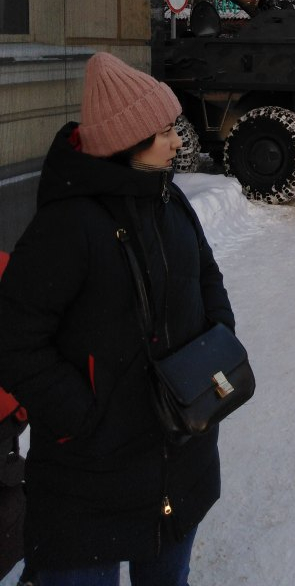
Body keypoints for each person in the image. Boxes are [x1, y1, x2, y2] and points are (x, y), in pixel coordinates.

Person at [0, 53, 235, 586]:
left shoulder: (169, 199)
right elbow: (13, 340)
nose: (178, 141)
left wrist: (219, 346)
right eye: (163, 132)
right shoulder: (66, 226)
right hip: (92, 475)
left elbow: (207, 277)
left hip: (181, 454)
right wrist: (84, 415)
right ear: (126, 142)